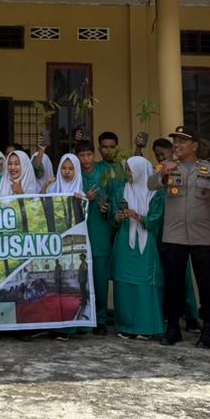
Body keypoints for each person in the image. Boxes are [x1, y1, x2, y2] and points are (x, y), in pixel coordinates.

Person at [148, 126, 210, 348]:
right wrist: (163, 173)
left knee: (207, 284)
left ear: (194, 146)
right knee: (173, 284)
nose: (177, 145)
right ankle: (172, 327)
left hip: (203, 236)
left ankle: (208, 327)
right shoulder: (167, 166)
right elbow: (150, 184)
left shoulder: (209, 169)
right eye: (176, 142)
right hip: (174, 234)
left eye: (182, 142)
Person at [111, 154, 165, 339]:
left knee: (145, 286)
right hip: (125, 242)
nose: (128, 174)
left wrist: (138, 217)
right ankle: (126, 326)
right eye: (127, 170)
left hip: (146, 244)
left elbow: (157, 219)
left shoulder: (155, 194)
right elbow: (112, 215)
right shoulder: (122, 190)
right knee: (124, 284)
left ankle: (146, 327)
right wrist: (117, 217)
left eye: (131, 171)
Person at [78, 139, 116, 334]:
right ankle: (84, 318)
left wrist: (107, 208)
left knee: (100, 278)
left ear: (94, 155)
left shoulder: (104, 173)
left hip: (100, 230)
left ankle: (100, 319)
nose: (86, 159)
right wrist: (85, 198)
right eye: (82, 155)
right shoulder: (74, 174)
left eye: (89, 155)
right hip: (80, 232)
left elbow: (113, 197)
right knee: (81, 278)